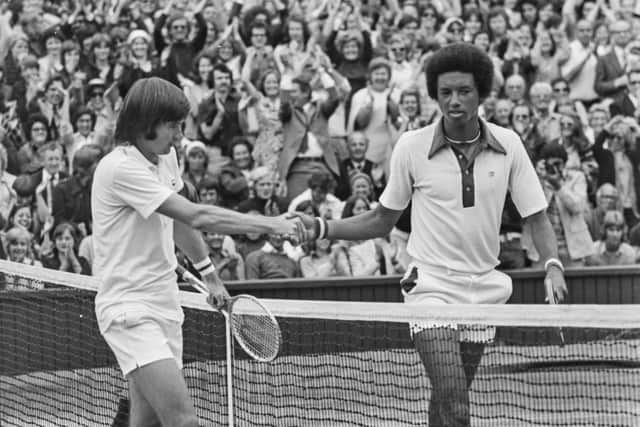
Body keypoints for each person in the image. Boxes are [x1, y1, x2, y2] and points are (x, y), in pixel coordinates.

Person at [294, 43, 568, 427]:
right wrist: (324, 227)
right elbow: (381, 220)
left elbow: (537, 217)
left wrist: (552, 265)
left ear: (482, 92)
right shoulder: (411, 146)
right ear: (434, 94)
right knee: (456, 401)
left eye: (464, 91)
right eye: (445, 93)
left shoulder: (510, 145)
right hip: (431, 286)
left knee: (447, 399)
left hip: (484, 288)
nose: (454, 101)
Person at [91, 77, 307, 427]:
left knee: (145, 422)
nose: (179, 135)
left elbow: (179, 222)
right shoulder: (119, 168)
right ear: (147, 122)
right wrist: (274, 224)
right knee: (184, 421)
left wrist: (210, 275)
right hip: (129, 309)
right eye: (173, 126)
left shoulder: (167, 158)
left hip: (165, 304)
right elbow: (197, 213)